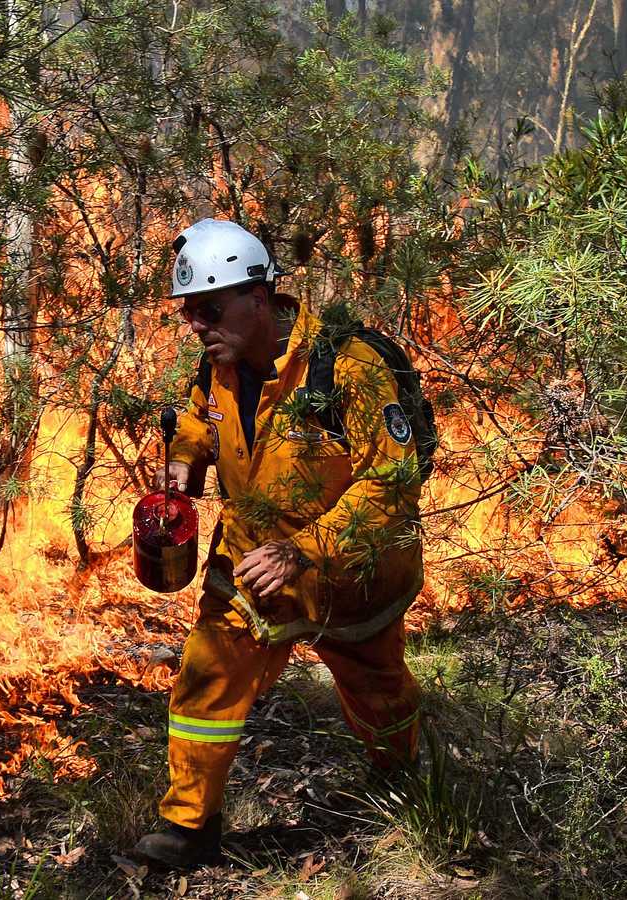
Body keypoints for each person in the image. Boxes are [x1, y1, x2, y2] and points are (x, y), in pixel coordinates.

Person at [133, 218, 425, 868]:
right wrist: (183, 465)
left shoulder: (348, 371)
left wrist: (306, 550)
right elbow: (195, 420)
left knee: (380, 695)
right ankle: (188, 826)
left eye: (209, 310)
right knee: (206, 678)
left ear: (258, 299)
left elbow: (390, 482)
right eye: (188, 314)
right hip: (250, 558)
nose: (197, 326)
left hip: (351, 577)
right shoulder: (219, 367)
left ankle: (401, 790)